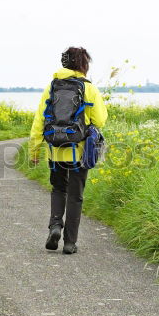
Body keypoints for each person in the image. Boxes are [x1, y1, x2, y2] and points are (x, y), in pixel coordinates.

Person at [28, 47, 108, 254]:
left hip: (55, 150)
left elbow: (39, 121)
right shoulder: (89, 88)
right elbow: (100, 120)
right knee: (75, 195)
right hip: (79, 151)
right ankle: (70, 243)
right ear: (84, 64)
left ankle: (55, 226)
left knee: (58, 189)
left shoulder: (52, 86)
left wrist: (34, 150)